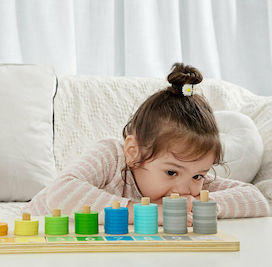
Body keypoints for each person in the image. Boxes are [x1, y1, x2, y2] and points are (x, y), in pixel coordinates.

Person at [22, 63, 270, 226]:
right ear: (134, 152)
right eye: (171, 172)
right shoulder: (110, 156)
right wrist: (141, 211)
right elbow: (59, 194)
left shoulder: (191, 183)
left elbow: (255, 198)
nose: (183, 189)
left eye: (198, 175)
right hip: (43, 235)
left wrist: (201, 206)